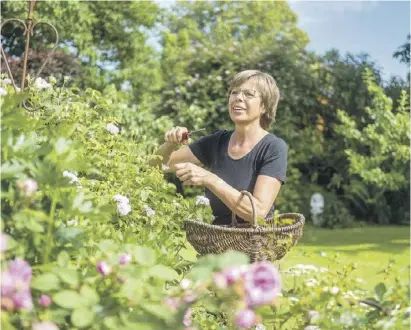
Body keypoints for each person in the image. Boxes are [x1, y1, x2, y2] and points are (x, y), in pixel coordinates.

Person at [155, 70, 288, 226]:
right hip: (216, 242)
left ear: (264, 106)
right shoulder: (217, 142)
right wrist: (170, 144)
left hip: (254, 244)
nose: (238, 98)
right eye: (234, 92)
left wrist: (209, 178)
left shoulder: (273, 147)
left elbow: (257, 213)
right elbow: (157, 166)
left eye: (249, 94)